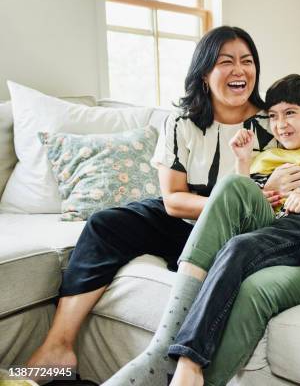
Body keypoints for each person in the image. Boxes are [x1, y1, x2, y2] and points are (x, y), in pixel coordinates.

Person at [25, 26, 278, 383]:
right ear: (205, 73)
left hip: (239, 231)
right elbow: (173, 200)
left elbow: (269, 201)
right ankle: (58, 346)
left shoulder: (273, 123)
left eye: (247, 61)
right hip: (186, 216)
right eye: (227, 62)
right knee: (105, 223)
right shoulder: (182, 120)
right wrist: (216, 204)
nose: (240, 70)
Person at [166, 73, 300, 386]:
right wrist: (243, 161)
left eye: (290, 113)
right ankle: (190, 359)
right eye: (273, 117)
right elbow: (246, 203)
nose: (280, 124)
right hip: (284, 230)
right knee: (236, 248)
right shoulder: (267, 158)